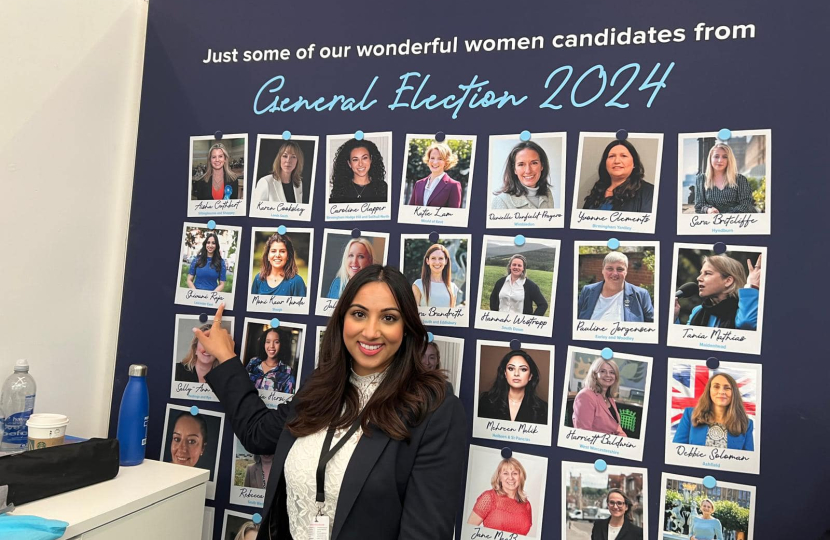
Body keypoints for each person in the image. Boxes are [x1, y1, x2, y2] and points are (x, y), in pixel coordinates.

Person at [196, 265, 466, 539]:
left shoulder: (435, 411)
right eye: (359, 314)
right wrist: (227, 359)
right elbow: (259, 434)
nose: (371, 332)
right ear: (342, 320)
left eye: (388, 318)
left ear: (406, 327)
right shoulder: (321, 388)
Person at [674, 254, 762, 330]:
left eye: (707, 273)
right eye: (701, 273)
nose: (699, 278)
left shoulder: (743, 310)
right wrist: (673, 318)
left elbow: (746, 324)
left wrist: (752, 287)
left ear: (728, 281)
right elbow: (684, 342)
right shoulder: (697, 311)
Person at [673, 372, 754, 450]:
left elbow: (748, 461)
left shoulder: (746, 424)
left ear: (734, 393)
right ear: (709, 391)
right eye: (716, 386)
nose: (721, 392)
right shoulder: (690, 415)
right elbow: (677, 451)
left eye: (727, 388)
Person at [577, 252, 654, 322]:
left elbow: (652, 327)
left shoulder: (641, 295)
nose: (615, 273)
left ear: (626, 272)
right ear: (602, 270)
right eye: (609, 269)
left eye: (620, 269)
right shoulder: (588, 291)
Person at [478, 350, 548, 424]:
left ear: (530, 376)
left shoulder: (543, 409)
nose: (516, 374)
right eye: (511, 369)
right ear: (505, 373)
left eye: (523, 369)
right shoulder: (485, 401)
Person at [466, 457, 532, 535]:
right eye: (505, 473)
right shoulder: (489, 497)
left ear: (520, 477)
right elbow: (468, 531)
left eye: (515, 473)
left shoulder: (526, 505)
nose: (510, 477)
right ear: (499, 477)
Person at [582, 140, 654, 213]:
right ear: (605, 163)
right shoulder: (597, 192)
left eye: (624, 156)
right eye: (611, 156)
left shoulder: (649, 193)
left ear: (634, 163)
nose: (616, 161)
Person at [695, 143, 756, 214]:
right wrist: (708, 210)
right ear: (710, 159)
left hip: (736, 222)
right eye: (716, 156)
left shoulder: (740, 179)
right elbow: (699, 205)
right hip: (711, 222)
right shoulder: (701, 179)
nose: (720, 160)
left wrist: (725, 216)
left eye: (725, 157)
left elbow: (746, 204)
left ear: (729, 160)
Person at [492, 141, 555, 210]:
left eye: (534, 163)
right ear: (514, 169)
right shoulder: (501, 201)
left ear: (542, 166)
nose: (528, 171)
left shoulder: (547, 193)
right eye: (521, 164)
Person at [572, 358, 628, 437]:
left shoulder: (609, 398)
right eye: (602, 371)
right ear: (594, 374)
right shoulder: (585, 396)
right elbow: (583, 435)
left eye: (612, 372)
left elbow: (616, 426)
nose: (608, 375)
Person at [329, 138, 388, 203]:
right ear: (349, 164)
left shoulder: (382, 188)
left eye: (364, 158)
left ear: (371, 159)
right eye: (355, 160)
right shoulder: (340, 189)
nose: (360, 164)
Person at [408, 142, 462, 208]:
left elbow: (453, 216)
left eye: (440, 159)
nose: (435, 162)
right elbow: (410, 212)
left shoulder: (453, 185)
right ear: (428, 159)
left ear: (446, 161)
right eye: (432, 158)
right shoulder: (418, 184)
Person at [245, 328, 296, 393]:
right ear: (263, 344)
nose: (271, 346)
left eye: (276, 342)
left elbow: (288, 399)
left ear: (282, 344)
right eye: (268, 342)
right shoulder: (253, 363)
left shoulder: (288, 372)